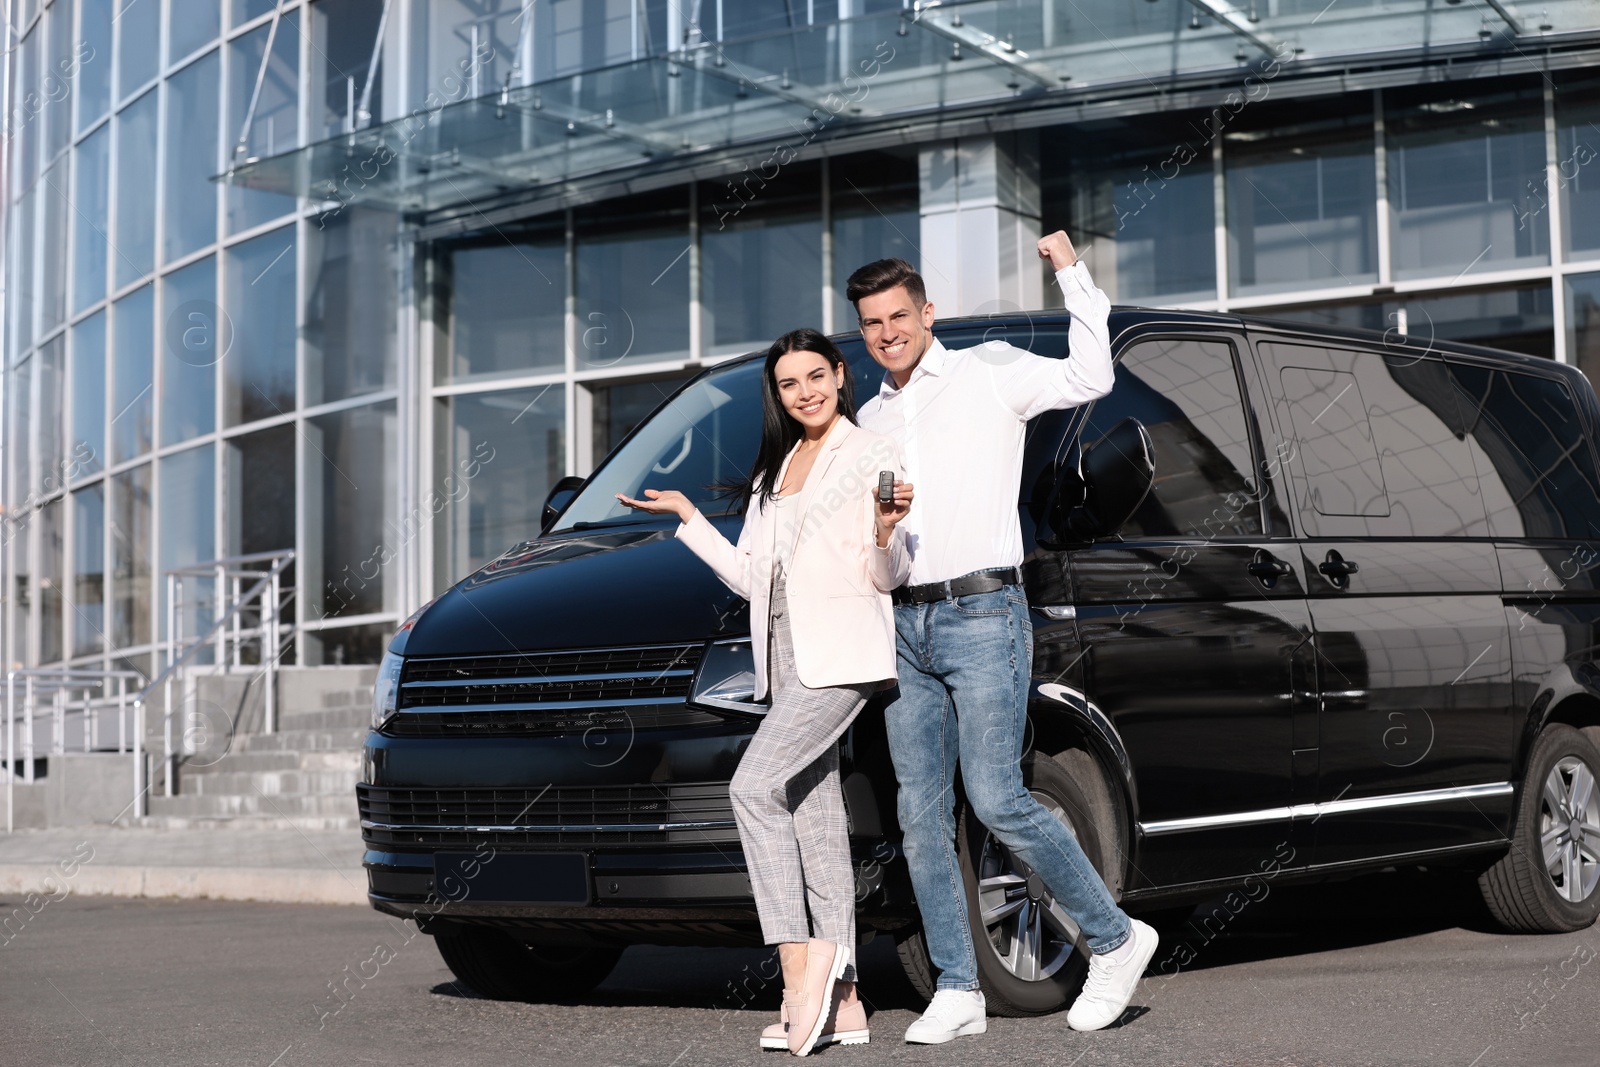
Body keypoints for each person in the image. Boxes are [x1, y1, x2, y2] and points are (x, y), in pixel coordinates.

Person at [847, 232, 1158, 1043]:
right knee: (920, 815)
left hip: (985, 615)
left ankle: (1118, 939)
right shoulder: (868, 418)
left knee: (996, 795)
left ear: (927, 313)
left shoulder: (986, 369)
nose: (887, 333)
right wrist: (880, 536)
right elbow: (879, 563)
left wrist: (1071, 272)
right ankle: (958, 986)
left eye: (898, 316)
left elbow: (1092, 374)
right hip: (903, 624)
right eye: (872, 323)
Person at [618, 328, 914, 1057]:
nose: (806, 391)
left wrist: (885, 530)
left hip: (842, 659)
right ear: (777, 394)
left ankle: (797, 969)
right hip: (783, 658)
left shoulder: (870, 451)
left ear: (841, 377)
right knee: (814, 820)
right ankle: (845, 999)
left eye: (817, 375)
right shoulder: (774, 471)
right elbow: (754, 578)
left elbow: (891, 575)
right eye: (790, 383)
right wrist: (690, 519)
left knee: (752, 789)